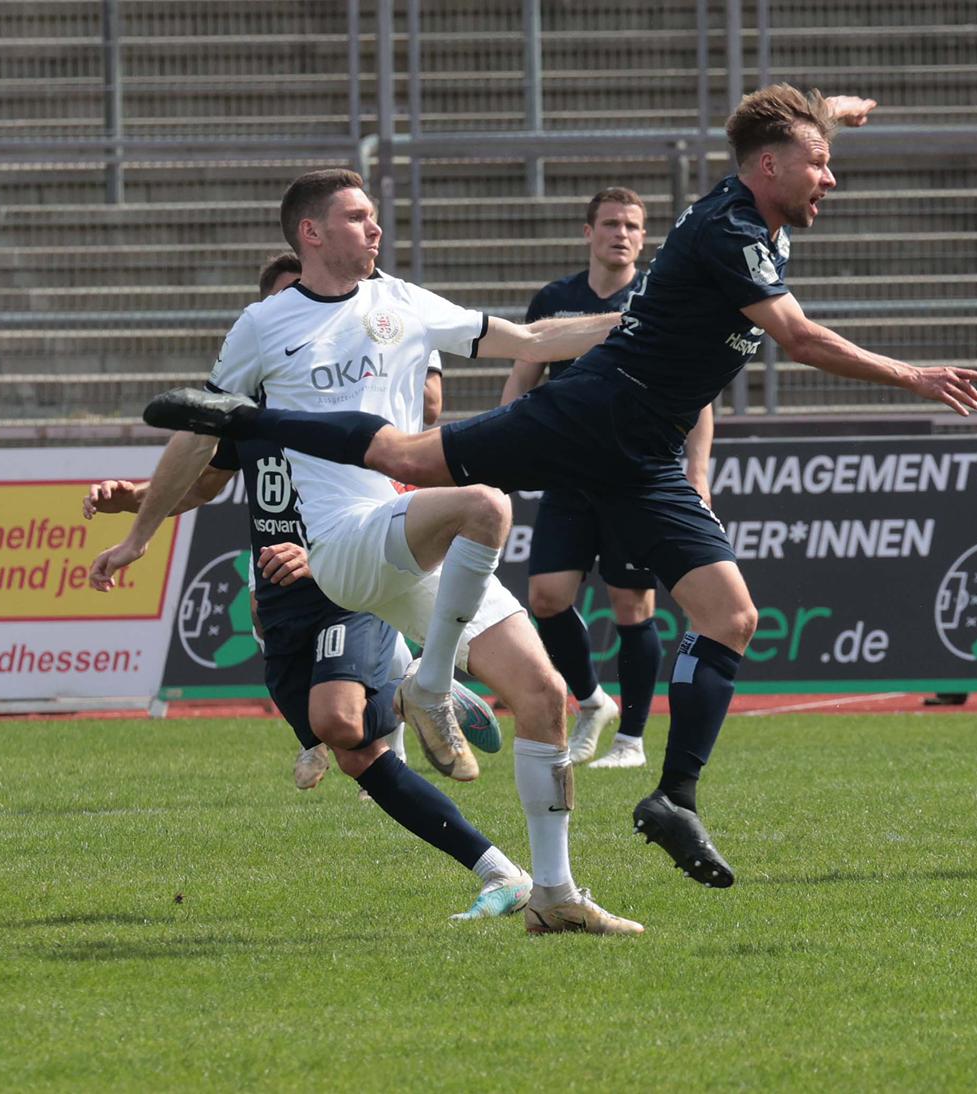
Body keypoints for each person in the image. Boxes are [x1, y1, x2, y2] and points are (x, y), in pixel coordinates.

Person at [141, 87, 977, 890]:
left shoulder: (764, 194)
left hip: (646, 453)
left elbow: (784, 140)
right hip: (592, 412)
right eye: (819, 162)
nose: (831, 176)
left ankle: (671, 801)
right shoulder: (733, 226)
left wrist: (829, 115)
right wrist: (912, 373)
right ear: (770, 167)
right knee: (408, 460)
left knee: (731, 617)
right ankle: (253, 424)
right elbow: (798, 337)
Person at [91, 171, 642, 935]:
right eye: (356, 218)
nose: (375, 230)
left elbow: (534, 339)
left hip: (401, 535)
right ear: (311, 234)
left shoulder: (402, 303)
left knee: (544, 696)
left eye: (375, 217)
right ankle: (432, 683)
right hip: (339, 547)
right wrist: (140, 532)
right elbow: (198, 433)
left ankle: (552, 894)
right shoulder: (264, 324)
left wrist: (637, 318)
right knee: (483, 504)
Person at [84, 250, 438, 800]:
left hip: (347, 548)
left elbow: (418, 430)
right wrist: (132, 499)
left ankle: (400, 716)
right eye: (282, 297)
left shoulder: (347, 394)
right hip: (276, 564)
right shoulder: (245, 403)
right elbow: (203, 481)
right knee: (316, 705)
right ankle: (387, 710)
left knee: (347, 701)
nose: (296, 308)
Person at [500, 186, 713, 770]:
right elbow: (523, 374)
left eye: (633, 226)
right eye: (611, 223)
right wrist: (505, 444)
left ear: (644, 239)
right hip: (569, 472)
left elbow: (696, 396)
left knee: (631, 605)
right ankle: (593, 701)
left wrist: (697, 474)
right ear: (589, 231)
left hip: (638, 475)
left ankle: (632, 741)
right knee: (546, 597)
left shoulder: (659, 295)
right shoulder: (556, 299)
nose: (621, 233)